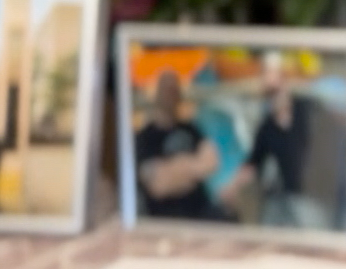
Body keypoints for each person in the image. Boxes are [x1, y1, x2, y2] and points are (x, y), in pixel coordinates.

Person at [231, 54, 322, 228]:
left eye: (276, 81)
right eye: (270, 93)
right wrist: (233, 188)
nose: (273, 95)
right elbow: (253, 162)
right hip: (283, 201)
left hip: (311, 199)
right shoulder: (267, 126)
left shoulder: (308, 111)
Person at [135, 71, 228, 221]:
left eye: (174, 90)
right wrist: (193, 166)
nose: (171, 94)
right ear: (156, 94)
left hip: (200, 215)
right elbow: (158, 185)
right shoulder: (144, 138)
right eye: (167, 89)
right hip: (165, 220)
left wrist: (174, 169)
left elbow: (212, 163)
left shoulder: (191, 129)